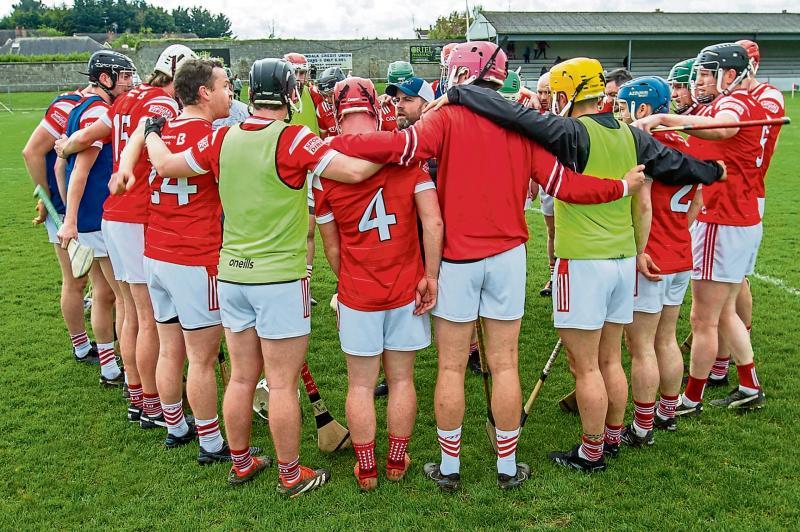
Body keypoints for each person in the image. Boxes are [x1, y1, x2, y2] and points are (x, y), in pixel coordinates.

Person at [329, 42, 648, 489]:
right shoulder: (519, 121)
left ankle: (450, 466)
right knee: (505, 364)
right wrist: (620, 186)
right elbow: (566, 186)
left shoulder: (446, 116)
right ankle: (506, 466)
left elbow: (400, 148)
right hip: (508, 259)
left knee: (451, 368)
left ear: (461, 72)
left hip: (457, 261)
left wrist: (334, 142)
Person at [438, 56, 725, 472]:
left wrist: (460, 91)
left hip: (582, 263)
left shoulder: (569, 132)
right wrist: (712, 170)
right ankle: (616, 434)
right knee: (612, 358)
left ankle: (592, 452)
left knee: (586, 366)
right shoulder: (630, 134)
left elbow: (510, 112)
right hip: (623, 260)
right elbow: (675, 166)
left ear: (570, 92)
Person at [140, 57, 386, 494]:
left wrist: (153, 135)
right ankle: (291, 475)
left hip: (231, 275)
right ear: (291, 93)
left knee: (239, 376)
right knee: (283, 383)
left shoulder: (222, 138)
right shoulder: (294, 139)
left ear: (252, 93)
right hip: (280, 280)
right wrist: (403, 143)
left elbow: (166, 165)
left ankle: (240, 462)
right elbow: (354, 170)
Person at [112, 58, 255, 460]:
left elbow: (139, 146)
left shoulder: (160, 127)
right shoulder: (214, 137)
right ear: (205, 92)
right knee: (202, 358)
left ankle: (175, 425)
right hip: (195, 257)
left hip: (156, 252)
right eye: (225, 85)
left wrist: (125, 166)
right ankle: (211, 442)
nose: (231, 93)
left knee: (170, 346)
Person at [56, 44, 198, 426]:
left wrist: (66, 145)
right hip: (137, 213)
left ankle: (137, 395)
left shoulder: (127, 99)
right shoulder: (162, 106)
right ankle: (152, 401)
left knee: (129, 309)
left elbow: (91, 134)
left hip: (113, 215)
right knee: (147, 315)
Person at [313, 77, 443, 491]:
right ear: (376, 106)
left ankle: (366, 466)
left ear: (336, 110)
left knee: (360, 383)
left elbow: (330, 246)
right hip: (406, 285)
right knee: (402, 379)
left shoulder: (325, 162)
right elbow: (433, 221)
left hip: (358, 290)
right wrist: (431, 275)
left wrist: (347, 279)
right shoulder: (402, 152)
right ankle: (397, 458)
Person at [632, 43, 766, 414]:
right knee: (722, 312)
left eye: (707, 74)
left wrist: (663, 120)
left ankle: (689, 398)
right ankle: (750, 383)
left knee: (703, 318)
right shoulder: (744, 102)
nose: (699, 81)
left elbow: (724, 129)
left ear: (728, 73)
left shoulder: (736, 103)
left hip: (723, 217)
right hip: (739, 215)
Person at [615, 75, 701, 438]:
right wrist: (677, 232)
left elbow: (645, 203)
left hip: (651, 257)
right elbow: (697, 202)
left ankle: (644, 424)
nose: (619, 115)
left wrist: (640, 249)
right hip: (680, 253)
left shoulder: (642, 145)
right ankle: (667, 412)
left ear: (644, 109)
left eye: (623, 108)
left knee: (642, 346)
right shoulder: (688, 144)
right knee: (666, 338)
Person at [703, 39, 786, 387]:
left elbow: (738, 132)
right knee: (728, 291)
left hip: (742, 192)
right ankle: (728, 359)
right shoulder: (740, 100)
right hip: (739, 191)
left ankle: (735, 351)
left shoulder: (760, 98)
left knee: (733, 287)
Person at [57, 51, 136, 387]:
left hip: (90, 218)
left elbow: (62, 166)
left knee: (103, 294)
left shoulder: (78, 108)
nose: (130, 82)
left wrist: (68, 211)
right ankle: (134, 378)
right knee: (125, 300)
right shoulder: (101, 112)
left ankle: (109, 366)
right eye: (124, 76)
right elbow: (82, 170)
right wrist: (71, 218)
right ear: (105, 78)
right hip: (101, 218)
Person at [374, 75, 438, 398]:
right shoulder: (395, 141)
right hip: (402, 242)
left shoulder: (438, 143)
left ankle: (466, 356)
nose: (399, 104)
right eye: (397, 99)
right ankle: (393, 375)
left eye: (407, 100)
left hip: (438, 240)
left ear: (426, 105)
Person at [22, 75, 94, 363]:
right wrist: (48, 199)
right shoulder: (68, 106)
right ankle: (80, 346)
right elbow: (31, 151)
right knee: (76, 279)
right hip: (65, 208)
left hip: (88, 206)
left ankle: (107, 337)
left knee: (99, 282)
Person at [535, 72, 556, 297]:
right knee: (551, 231)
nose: (542, 96)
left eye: (547, 92)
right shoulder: (538, 116)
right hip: (547, 183)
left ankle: (563, 274)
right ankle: (552, 276)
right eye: (540, 91)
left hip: (568, 182)